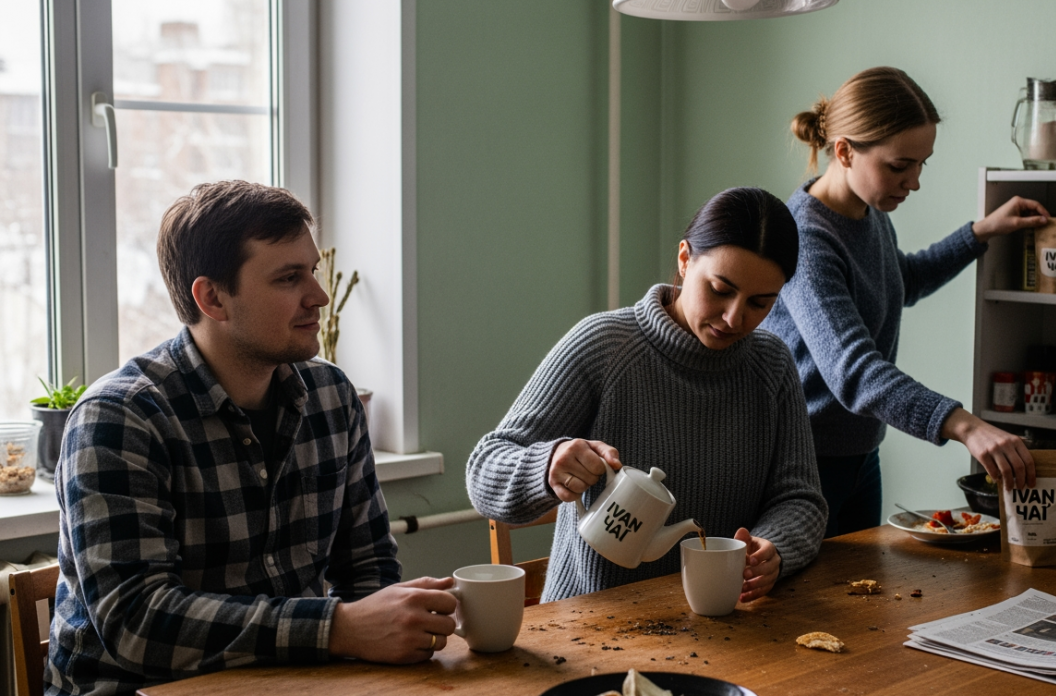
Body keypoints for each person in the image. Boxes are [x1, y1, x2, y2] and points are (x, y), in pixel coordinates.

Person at [48, 181, 457, 695]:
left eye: (312, 270)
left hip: (294, 684)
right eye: (289, 278)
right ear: (212, 297)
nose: (319, 296)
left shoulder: (332, 396)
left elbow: (369, 566)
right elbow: (136, 621)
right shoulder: (120, 418)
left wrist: (394, 632)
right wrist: (340, 628)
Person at [467, 187, 827, 603]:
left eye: (760, 303)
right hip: (591, 625)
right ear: (684, 258)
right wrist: (546, 464)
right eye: (720, 289)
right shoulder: (603, 346)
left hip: (724, 623)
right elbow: (485, 471)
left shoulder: (773, 365)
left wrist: (775, 548)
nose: (734, 318)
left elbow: (800, 498)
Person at [761, 67, 1048, 538]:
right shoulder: (807, 239)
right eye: (899, 166)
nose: (913, 182)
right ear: (845, 151)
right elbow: (854, 372)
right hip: (803, 464)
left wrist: (981, 231)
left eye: (921, 164)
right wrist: (963, 425)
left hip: (860, 456)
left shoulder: (868, 213)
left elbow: (902, 280)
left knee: (858, 600)